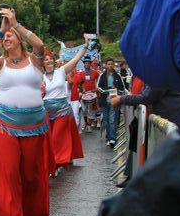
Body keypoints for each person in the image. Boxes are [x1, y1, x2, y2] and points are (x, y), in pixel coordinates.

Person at [0, 7, 52, 216]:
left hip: (34, 124)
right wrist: (1, 31)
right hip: (4, 124)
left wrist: (16, 23)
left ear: (19, 39)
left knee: (29, 173)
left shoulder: (35, 60)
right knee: (9, 172)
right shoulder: (0, 64)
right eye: (6, 37)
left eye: (12, 35)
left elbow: (40, 45)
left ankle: (26, 212)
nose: (8, 38)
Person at [42, 37, 88, 171]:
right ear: (42, 63)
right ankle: (54, 160)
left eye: (50, 59)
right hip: (46, 112)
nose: (49, 61)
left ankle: (56, 163)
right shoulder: (39, 76)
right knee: (49, 138)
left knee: (57, 137)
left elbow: (75, 60)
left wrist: (84, 47)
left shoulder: (61, 72)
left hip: (62, 109)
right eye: (46, 59)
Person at [97, 58, 126, 147]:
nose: (110, 65)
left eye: (112, 64)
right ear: (106, 65)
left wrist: (116, 91)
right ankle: (108, 136)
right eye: (108, 64)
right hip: (104, 101)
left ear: (114, 65)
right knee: (106, 120)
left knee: (112, 120)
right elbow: (98, 87)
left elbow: (122, 88)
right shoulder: (102, 75)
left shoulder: (118, 76)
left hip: (114, 101)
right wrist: (108, 90)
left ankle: (112, 138)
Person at [76, 57, 100, 131]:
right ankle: (86, 123)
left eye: (88, 63)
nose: (87, 64)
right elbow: (79, 84)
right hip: (84, 94)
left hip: (93, 94)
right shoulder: (81, 73)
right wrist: (81, 89)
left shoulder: (95, 72)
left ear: (90, 63)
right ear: (84, 64)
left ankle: (89, 125)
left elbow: (99, 82)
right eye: (85, 63)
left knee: (92, 110)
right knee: (84, 110)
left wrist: (96, 89)